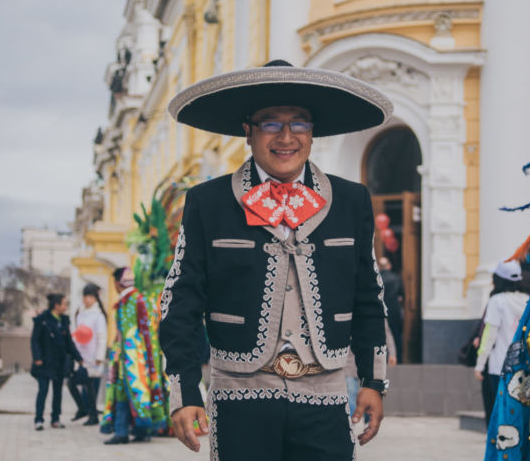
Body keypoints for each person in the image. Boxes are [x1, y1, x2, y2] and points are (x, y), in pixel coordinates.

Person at [160, 60, 392, 460]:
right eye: (270, 123)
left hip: (325, 391)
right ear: (247, 131)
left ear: (312, 132)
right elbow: (181, 300)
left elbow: (368, 297)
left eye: (299, 123)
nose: (286, 137)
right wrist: (183, 389)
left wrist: (374, 381)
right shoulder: (207, 202)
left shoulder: (352, 200)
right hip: (241, 393)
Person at [101, 267, 169, 445]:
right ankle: (128, 431)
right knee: (125, 393)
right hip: (129, 358)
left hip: (136, 359)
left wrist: (149, 362)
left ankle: (131, 431)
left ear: (117, 283)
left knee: (134, 393)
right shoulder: (128, 301)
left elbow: (146, 332)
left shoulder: (137, 300)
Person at [474, 260, 529, 426]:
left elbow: (489, 336)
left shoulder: (497, 301)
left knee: (498, 415)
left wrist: (479, 365)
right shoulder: (528, 299)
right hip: (523, 366)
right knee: (518, 415)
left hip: (499, 367)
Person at [30, 293, 83, 431]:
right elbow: (35, 340)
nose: (66, 307)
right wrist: (37, 358)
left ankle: (55, 418)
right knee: (43, 390)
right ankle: (39, 419)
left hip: (59, 363)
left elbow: (69, 342)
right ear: (56, 305)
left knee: (58, 391)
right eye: (64, 304)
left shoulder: (64, 321)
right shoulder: (42, 320)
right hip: (44, 363)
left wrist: (78, 357)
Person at [68, 283, 107, 426]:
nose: (87, 300)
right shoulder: (80, 313)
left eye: (90, 297)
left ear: (95, 298)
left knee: (90, 387)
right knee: (73, 383)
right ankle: (83, 409)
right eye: (85, 297)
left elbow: (102, 337)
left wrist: (99, 357)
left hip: (93, 356)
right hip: (81, 355)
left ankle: (92, 415)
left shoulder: (98, 316)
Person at [378, 257, 404, 361]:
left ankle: (383, 357)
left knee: (382, 335)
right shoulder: (396, 278)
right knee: (395, 334)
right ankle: (398, 357)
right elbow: (401, 296)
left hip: (380, 310)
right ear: (389, 266)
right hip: (394, 310)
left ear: (379, 267)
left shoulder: (377, 279)